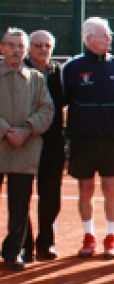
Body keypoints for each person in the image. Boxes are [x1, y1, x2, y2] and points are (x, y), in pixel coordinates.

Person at [61, 17, 114, 259]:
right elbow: (62, 102)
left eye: (109, 34)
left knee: (111, 187)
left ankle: (111, 238)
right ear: (89, 39)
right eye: (104, 35)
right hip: (83, 141)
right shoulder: (71, 68)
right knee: (85, 188)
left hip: (111, 140)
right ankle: (88, 236)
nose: (109, 39)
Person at [0, 28, 54, 270]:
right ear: (2, 48)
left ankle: (13, 252)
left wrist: (27, 129)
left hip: (25, 148)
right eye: (11, 45)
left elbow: (47, 110)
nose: (16, 50)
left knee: (20, 204)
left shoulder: (37, 79)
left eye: (20, 46)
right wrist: (6, 130)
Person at [23, 30, 66, 260]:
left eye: (47, 45)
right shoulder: (20, 71)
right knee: (22, 195)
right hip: (24, 142)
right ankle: (24, 244)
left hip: (53, 143)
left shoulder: (58, 72)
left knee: (50, 196)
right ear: (29, 47)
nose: (42, 49)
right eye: (37, 44)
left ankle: (45, 243)